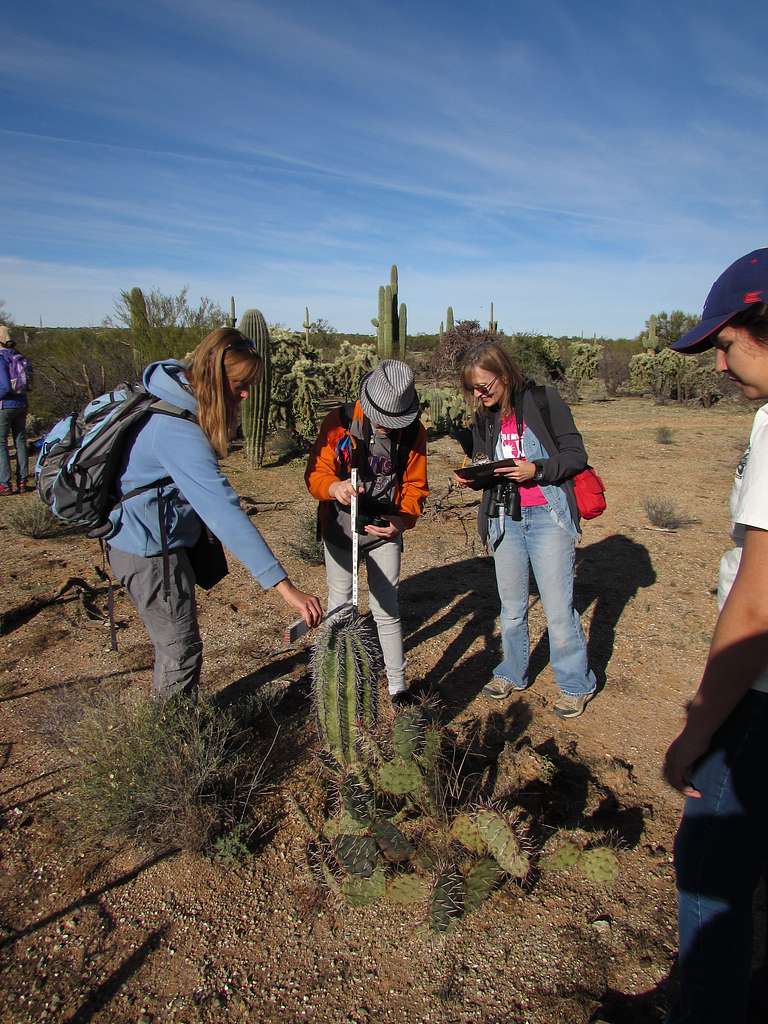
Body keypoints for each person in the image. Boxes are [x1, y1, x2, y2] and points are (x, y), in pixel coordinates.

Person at [663, 249, 768, 1024]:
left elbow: (759, 606)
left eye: (726, 345)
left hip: (758, 700)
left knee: (708, 877)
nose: (721, 368)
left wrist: (697, 730)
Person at [105, 327, 322, 701]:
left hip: (147, 535)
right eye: (239, 384)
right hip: (148, 551)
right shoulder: (177, 431)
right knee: (180, 650)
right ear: (212, 377)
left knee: (176, 642)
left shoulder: (171, 394)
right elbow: (225, 514)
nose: (246, 394)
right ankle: (174, 741)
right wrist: (286, 589)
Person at [453, 339, 596, 718]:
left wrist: (538, 470)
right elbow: (489, 464)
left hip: (547, 515)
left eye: (483, 386)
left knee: (557, 607)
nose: (478, 395)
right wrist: (476, 477)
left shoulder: (543, 400)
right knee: (512, 606)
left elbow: (575, 455)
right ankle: (512, 671)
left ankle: (575, 683)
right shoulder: (485, 417)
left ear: (503, 375)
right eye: (472, 389)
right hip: (505, 517)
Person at [305, 359, 429, 705]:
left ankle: (397, 686)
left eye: (395, 420)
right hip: (341, 527)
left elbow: (416, 486)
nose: (387, 427)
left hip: (385, 530)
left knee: (387, 607)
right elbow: (316, 473)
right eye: (382, 419)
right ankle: (334, 681)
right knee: (341, 604)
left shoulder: (414, 432)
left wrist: (402, 521)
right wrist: (335, 488)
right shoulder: (340, 423)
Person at [0, 326, 30, 495]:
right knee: (20, 441)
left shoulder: (0, 359)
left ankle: (4, 483)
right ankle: (22, 481)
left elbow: (4, 387)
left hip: (5, 406)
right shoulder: (18, 357)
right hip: (22, 403)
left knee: (1, 443)